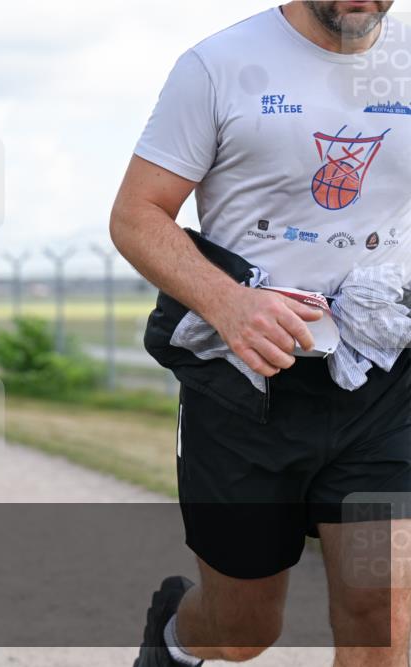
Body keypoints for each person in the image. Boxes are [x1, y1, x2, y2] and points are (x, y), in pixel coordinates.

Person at [111, 3, 410, 666]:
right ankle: (173, 636)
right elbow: (136, 215)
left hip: (382, 383)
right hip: (247, 383)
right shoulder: (216, 66)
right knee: (242, 630)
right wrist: (229, 302)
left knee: (382, 609)